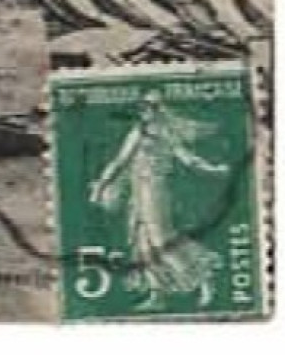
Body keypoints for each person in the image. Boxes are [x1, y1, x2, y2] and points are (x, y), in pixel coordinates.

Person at [88, 90, 230, 311]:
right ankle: (157, 294)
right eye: (142, 107)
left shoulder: (166, 132)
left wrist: (213, 168)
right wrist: (101, 186)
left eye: (149, 107)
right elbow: (119, 162)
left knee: (160, 238)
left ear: (158, 109)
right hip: (138, 191)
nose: (144, 111)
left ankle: (203, 279)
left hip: (155, 190)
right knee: (141, 238)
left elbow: (187, 158)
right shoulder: (138, 132)